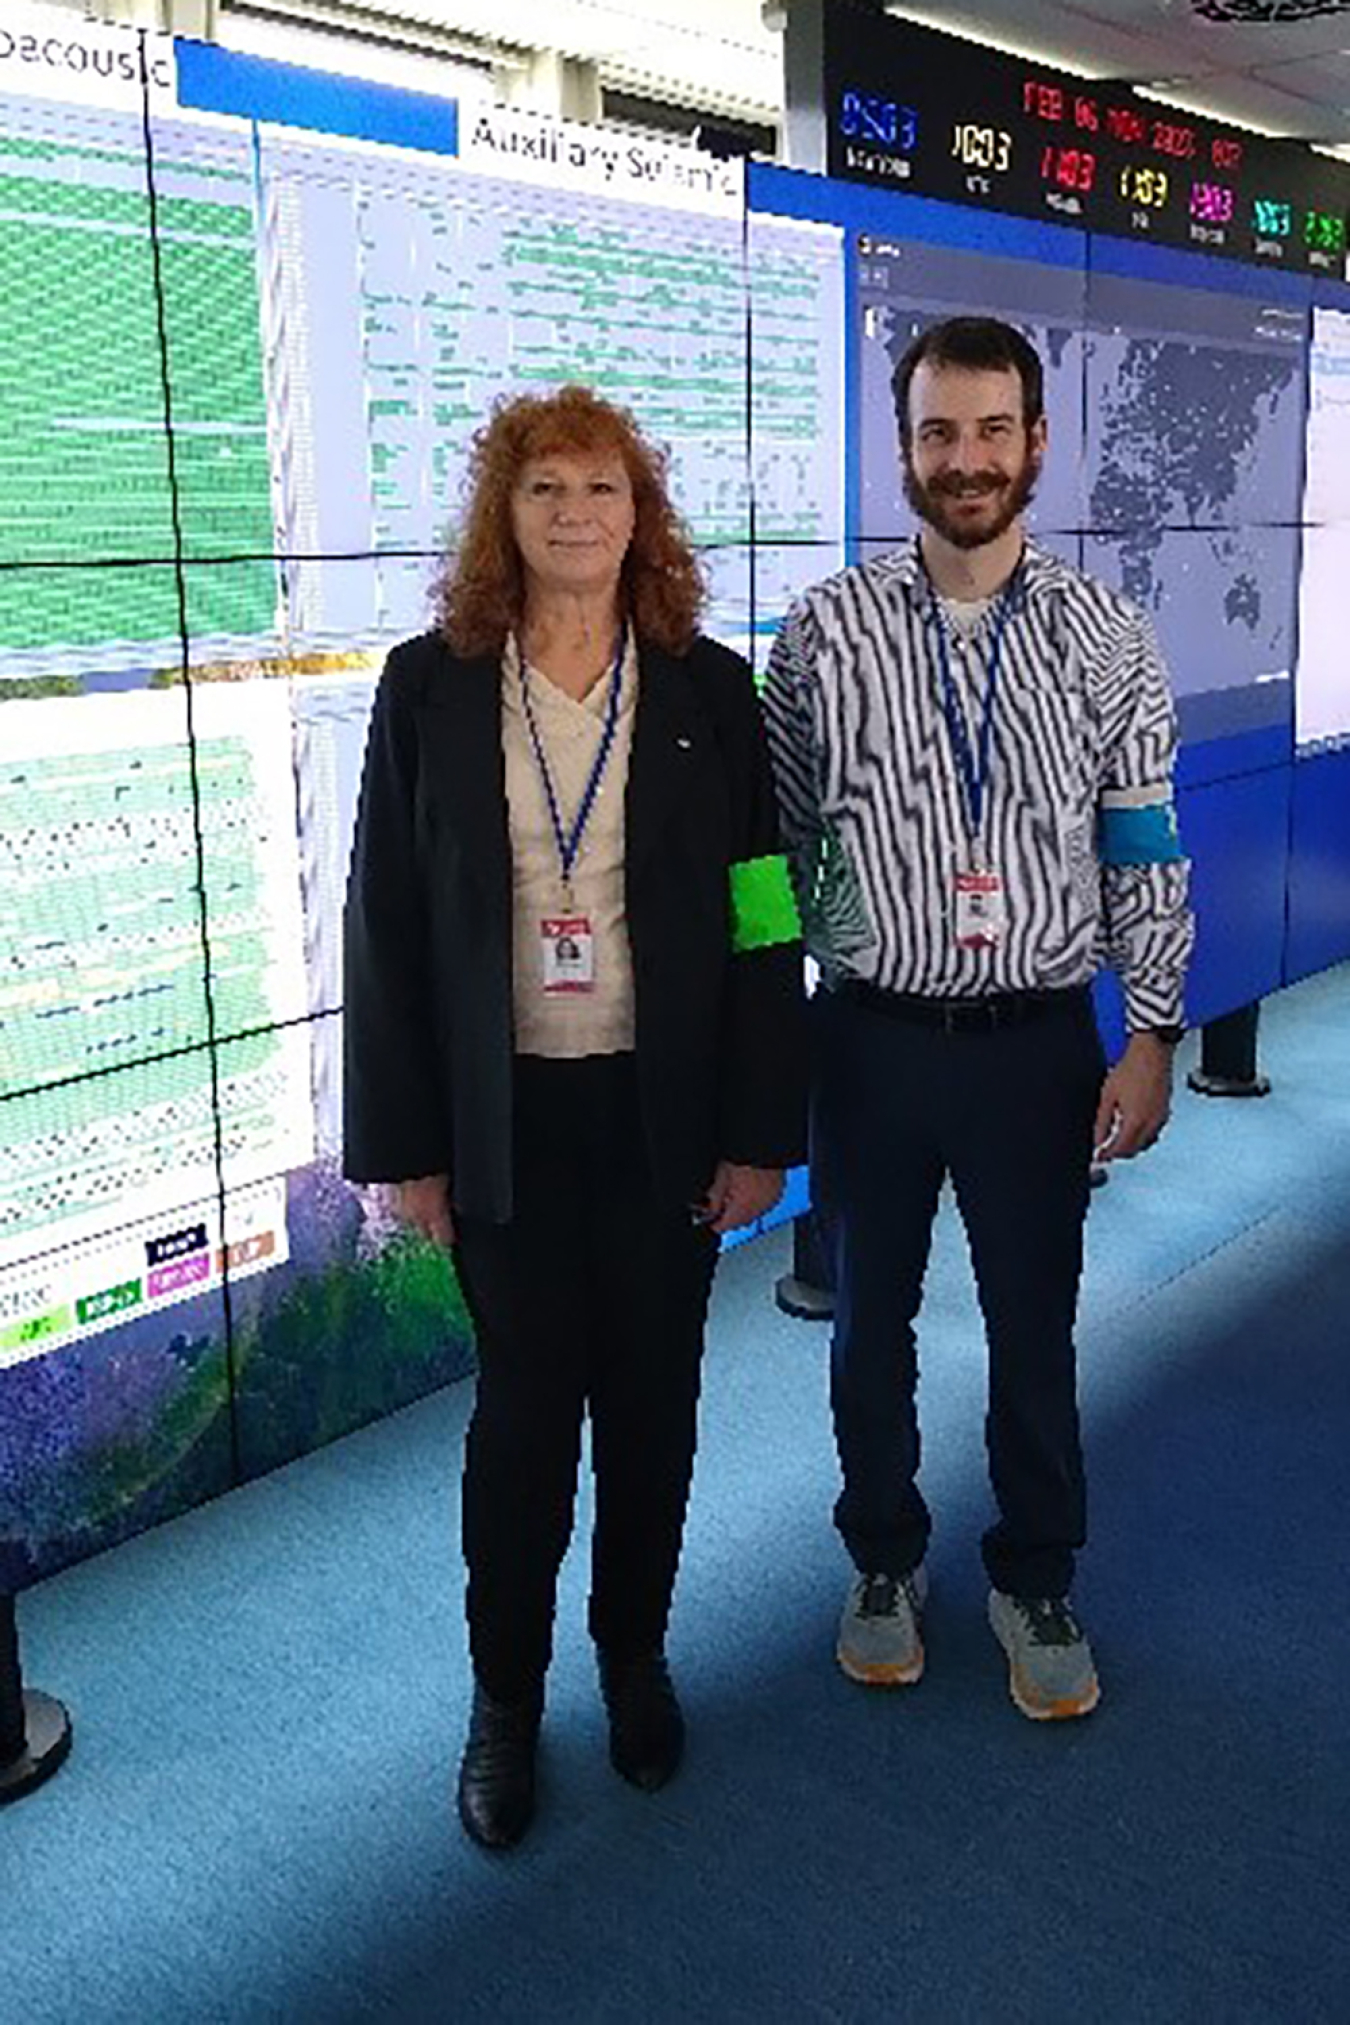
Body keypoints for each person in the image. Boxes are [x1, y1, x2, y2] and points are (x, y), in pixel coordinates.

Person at [343, 384, 805, 1848]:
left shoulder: (707, 691)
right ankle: (504, 1698)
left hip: (660, 1119)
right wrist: (406, 1142)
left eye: (600, 488)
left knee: (655, 1413)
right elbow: (385, 923)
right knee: (522, 1424)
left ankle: (632, 1657)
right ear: (504, 514)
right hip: (507, 1125)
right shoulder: (427, 687)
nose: (573, 515)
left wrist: (759, 1126)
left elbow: (760, 910)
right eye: (543, 489)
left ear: (638, 514)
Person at [763, 317, 1193, 1721]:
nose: (966, 461)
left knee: (1031, 1325)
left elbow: (1141, 843)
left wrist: (1151, 1029)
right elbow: (763, 864)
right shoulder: (822, 632)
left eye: (991, 431)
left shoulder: (1104, 632)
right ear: (902, 451)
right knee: (865, 1321)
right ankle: (881, 1557)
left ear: (1034, 444)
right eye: (938, 434)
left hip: (1034, 1046)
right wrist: (766, 1036)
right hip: (870, 1039)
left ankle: (1033, 1571)